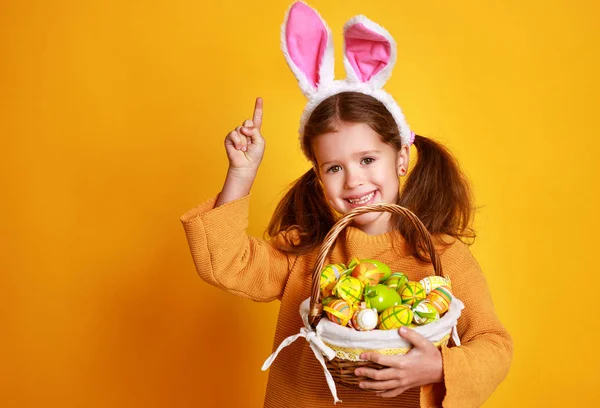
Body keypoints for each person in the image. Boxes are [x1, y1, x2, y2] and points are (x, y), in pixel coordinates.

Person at [180, 2, 512, 407]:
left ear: (401, 158)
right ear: (318, 176)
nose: (353, 179)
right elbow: (225, 263)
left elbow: (494, 345)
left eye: (368, 160)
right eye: (334, 167)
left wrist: (440, 367)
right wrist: (241, 174)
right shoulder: (305, 251)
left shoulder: (440, 255)